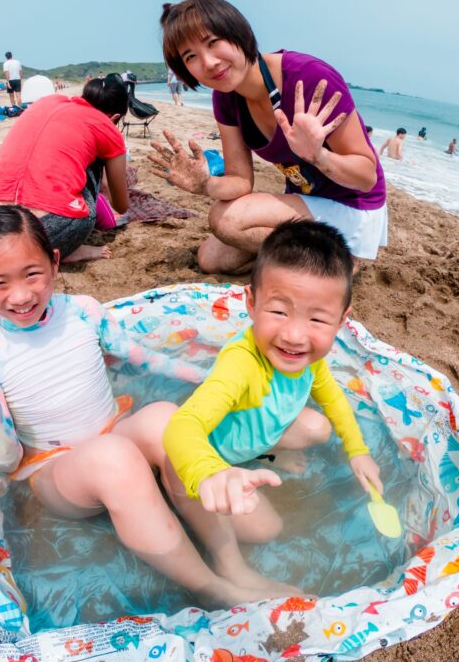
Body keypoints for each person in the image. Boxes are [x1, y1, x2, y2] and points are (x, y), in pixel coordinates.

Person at [0, 204, 280, 607]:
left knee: (168, 421)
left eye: (32, 274)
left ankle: (231, 564)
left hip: (113, 432)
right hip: (56, 470)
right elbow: (5, 462)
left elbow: (141, 358)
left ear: (54, 263)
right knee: (113, 456)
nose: (22, 295)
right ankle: (211, 587)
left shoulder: (83, 311)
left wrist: (208, 378)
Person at [162, 221, 382, 585]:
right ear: (251, 303)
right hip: (203, 463)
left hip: (251, 439)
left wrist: (358, 452)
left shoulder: (311, 360)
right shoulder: (241, 363)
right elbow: (182, 427)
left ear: (342, 320)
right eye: (279, 312)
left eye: (317, 319)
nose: (294, 336)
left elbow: (334, 401)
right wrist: (208, 473)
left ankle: (266, 454)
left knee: (319, 426)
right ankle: (228, 565)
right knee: (266, 529)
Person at [152, 0, 386, 276]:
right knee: (211, 258)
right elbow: (240, 181)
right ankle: (315, 261)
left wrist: (319, 156)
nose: (209, 62)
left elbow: (366, 176)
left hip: (353, 205)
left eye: (213, 42)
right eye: (191, 56)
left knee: (226, 219)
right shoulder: (226, 97)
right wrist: (205, 184)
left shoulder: (308, 77)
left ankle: (336, 260)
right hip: (306, 204)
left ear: (237, 31)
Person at [0, 75, 130, 263]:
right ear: (115, 117)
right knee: (94, 164)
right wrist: (106, 170)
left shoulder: (46, 102)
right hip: (46, 230)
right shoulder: (106, 127)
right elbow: (121, 205)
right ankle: (62, 250)